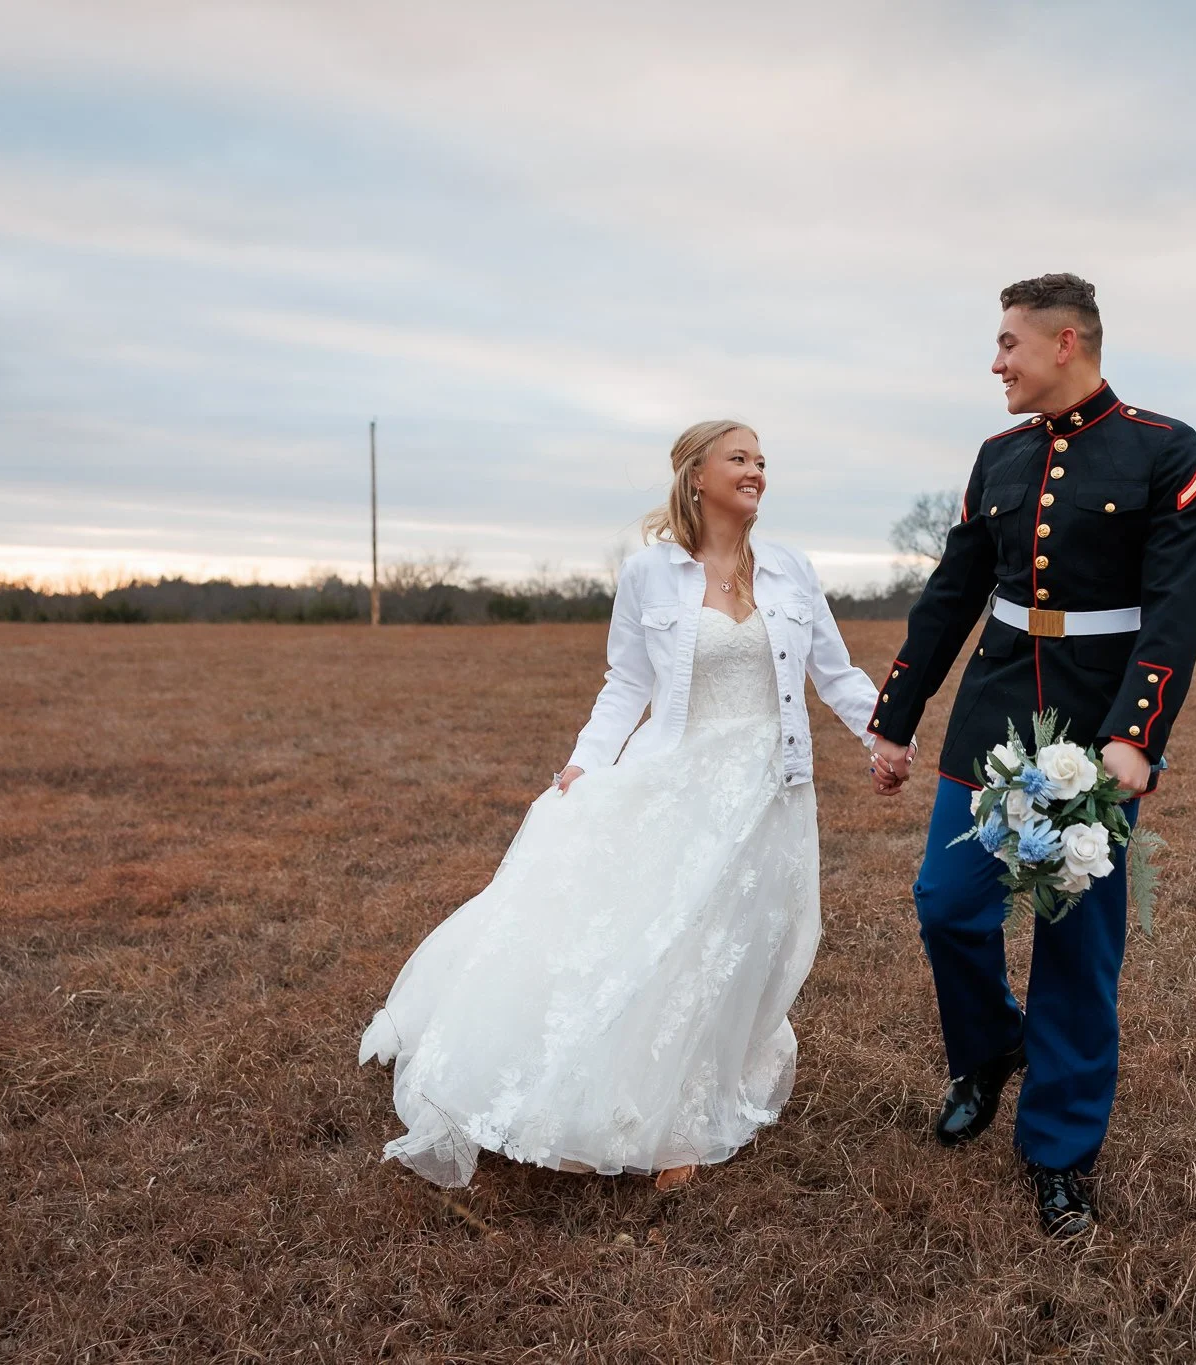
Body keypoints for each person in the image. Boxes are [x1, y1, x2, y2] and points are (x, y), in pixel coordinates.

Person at [360, 420, 882, 1191]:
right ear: (696, 475)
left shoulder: (792, 570)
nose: (757, 471)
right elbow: (626, 683)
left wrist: (884, 736)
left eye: (763, 461)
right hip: (679, 780)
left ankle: (704, 1082)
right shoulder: (649, 575)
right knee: (671, 937)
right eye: (739, 458)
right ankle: (668, 1121)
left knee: (747, 938)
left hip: (771, 785)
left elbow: (834, 674)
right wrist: (584, 763)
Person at [866, 274, 1196, 1237]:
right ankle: (987, 1050)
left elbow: (1177, 610)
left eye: (1008, 344)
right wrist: (898, 712)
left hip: (1094, 726)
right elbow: (954, 591)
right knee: (947, 904)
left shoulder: (1165, 451)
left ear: (1066, 343)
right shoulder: (997, 457)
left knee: (1077, 945)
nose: (996, 363)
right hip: (992, 707)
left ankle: (1059, 1153)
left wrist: (1135, 737)